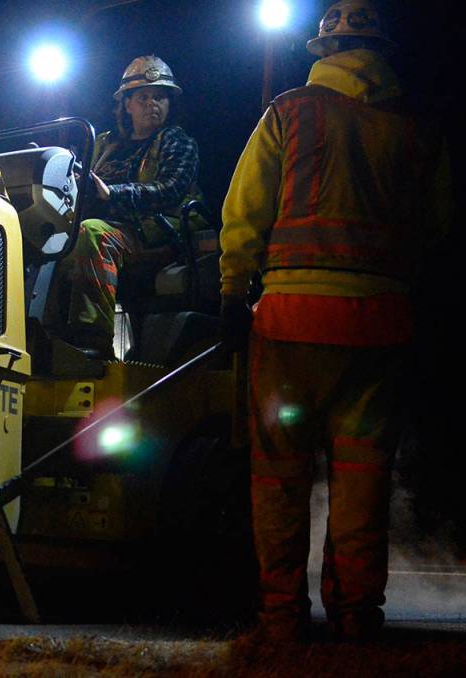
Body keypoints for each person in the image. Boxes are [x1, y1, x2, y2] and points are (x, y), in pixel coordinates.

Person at [218, 0, 451, 642]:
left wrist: (233, 291)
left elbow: (243, 211)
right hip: (380, 327)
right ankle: (355, 617)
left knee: (280, 475)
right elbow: (439, 228)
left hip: (291, 323)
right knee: (362, 479)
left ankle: (280, 617)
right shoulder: (417, 129)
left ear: (323, 50)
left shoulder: (289, 112)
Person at [61, 55, 204, 358]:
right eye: (143, 97)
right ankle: (45, 335)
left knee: (93, 234)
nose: (152, 103)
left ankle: (92, 342)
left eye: (159, 97)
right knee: (48, 243)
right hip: (112, 230)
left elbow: (169, 191)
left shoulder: (177, 141)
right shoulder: (104, 144)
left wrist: (111, 194)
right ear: (127, 104)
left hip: (156, 233)